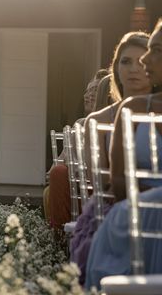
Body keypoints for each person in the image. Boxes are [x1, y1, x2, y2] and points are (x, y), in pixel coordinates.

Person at [70, 32, 151, 283]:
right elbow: (101, 183)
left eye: (141, 61)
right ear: (115, 67)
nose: (133, 69)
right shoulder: (98, 120)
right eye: (125, 61)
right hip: (112, 204)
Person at [86, 22, 162, 289]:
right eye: (125, 61)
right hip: (135, 213)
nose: (142, 62)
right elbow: (113, 184)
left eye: (156, 51)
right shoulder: (132, 110)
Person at [46, 68, 109, 233]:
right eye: (87, 91)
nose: (88, 95)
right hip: (78, 187)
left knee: (58, 177)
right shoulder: (80, 124)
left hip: (99, 187)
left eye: (95, 90)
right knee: (57, 176)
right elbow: (60, 161)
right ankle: (58, 238)